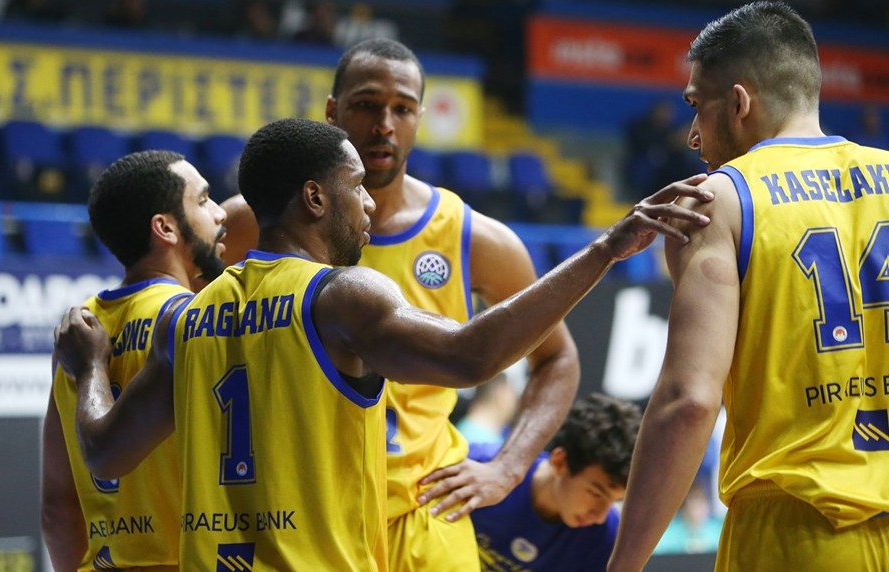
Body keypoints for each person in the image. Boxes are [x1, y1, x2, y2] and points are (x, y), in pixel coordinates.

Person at [54, 117, 712, 570]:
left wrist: (90, 370)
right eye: (355, 188)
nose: (369, 204)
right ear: (315, 197)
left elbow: (105, 449)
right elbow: (472, 354)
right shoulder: (341, 296)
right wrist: (604, 250)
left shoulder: (191, 316)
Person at [221, 38, 586, 571]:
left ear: (419, 118)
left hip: (423, 512)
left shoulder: (474, 237)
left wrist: (508, 467)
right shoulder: (249, 222)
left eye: (403, 108)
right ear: (333, 111)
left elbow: (557, 357)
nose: (384, 124)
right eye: (367, 104)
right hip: (299, 513)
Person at [608, 0, 889, 572]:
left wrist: (624, 563)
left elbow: (690, 402)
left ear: (739, 103)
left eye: (696, 106)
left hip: (799, 529)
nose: (692, 135)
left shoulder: (717, 201)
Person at [40, 150, 226, 571]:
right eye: (203, 200)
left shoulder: (76, 333)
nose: (219, 213)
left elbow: (57, 509)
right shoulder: (196, 320)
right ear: (165, 228)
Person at [469, 393, 641, 571]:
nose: (599, 516)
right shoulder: (478, 467)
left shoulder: (606, 539)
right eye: (596, 494)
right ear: (560, 462)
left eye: (615, 501)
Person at [455, 373, 519, 446]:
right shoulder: (484, 444)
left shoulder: (466, 430)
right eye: (512, 392)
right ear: (500, 394)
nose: (515, 400)